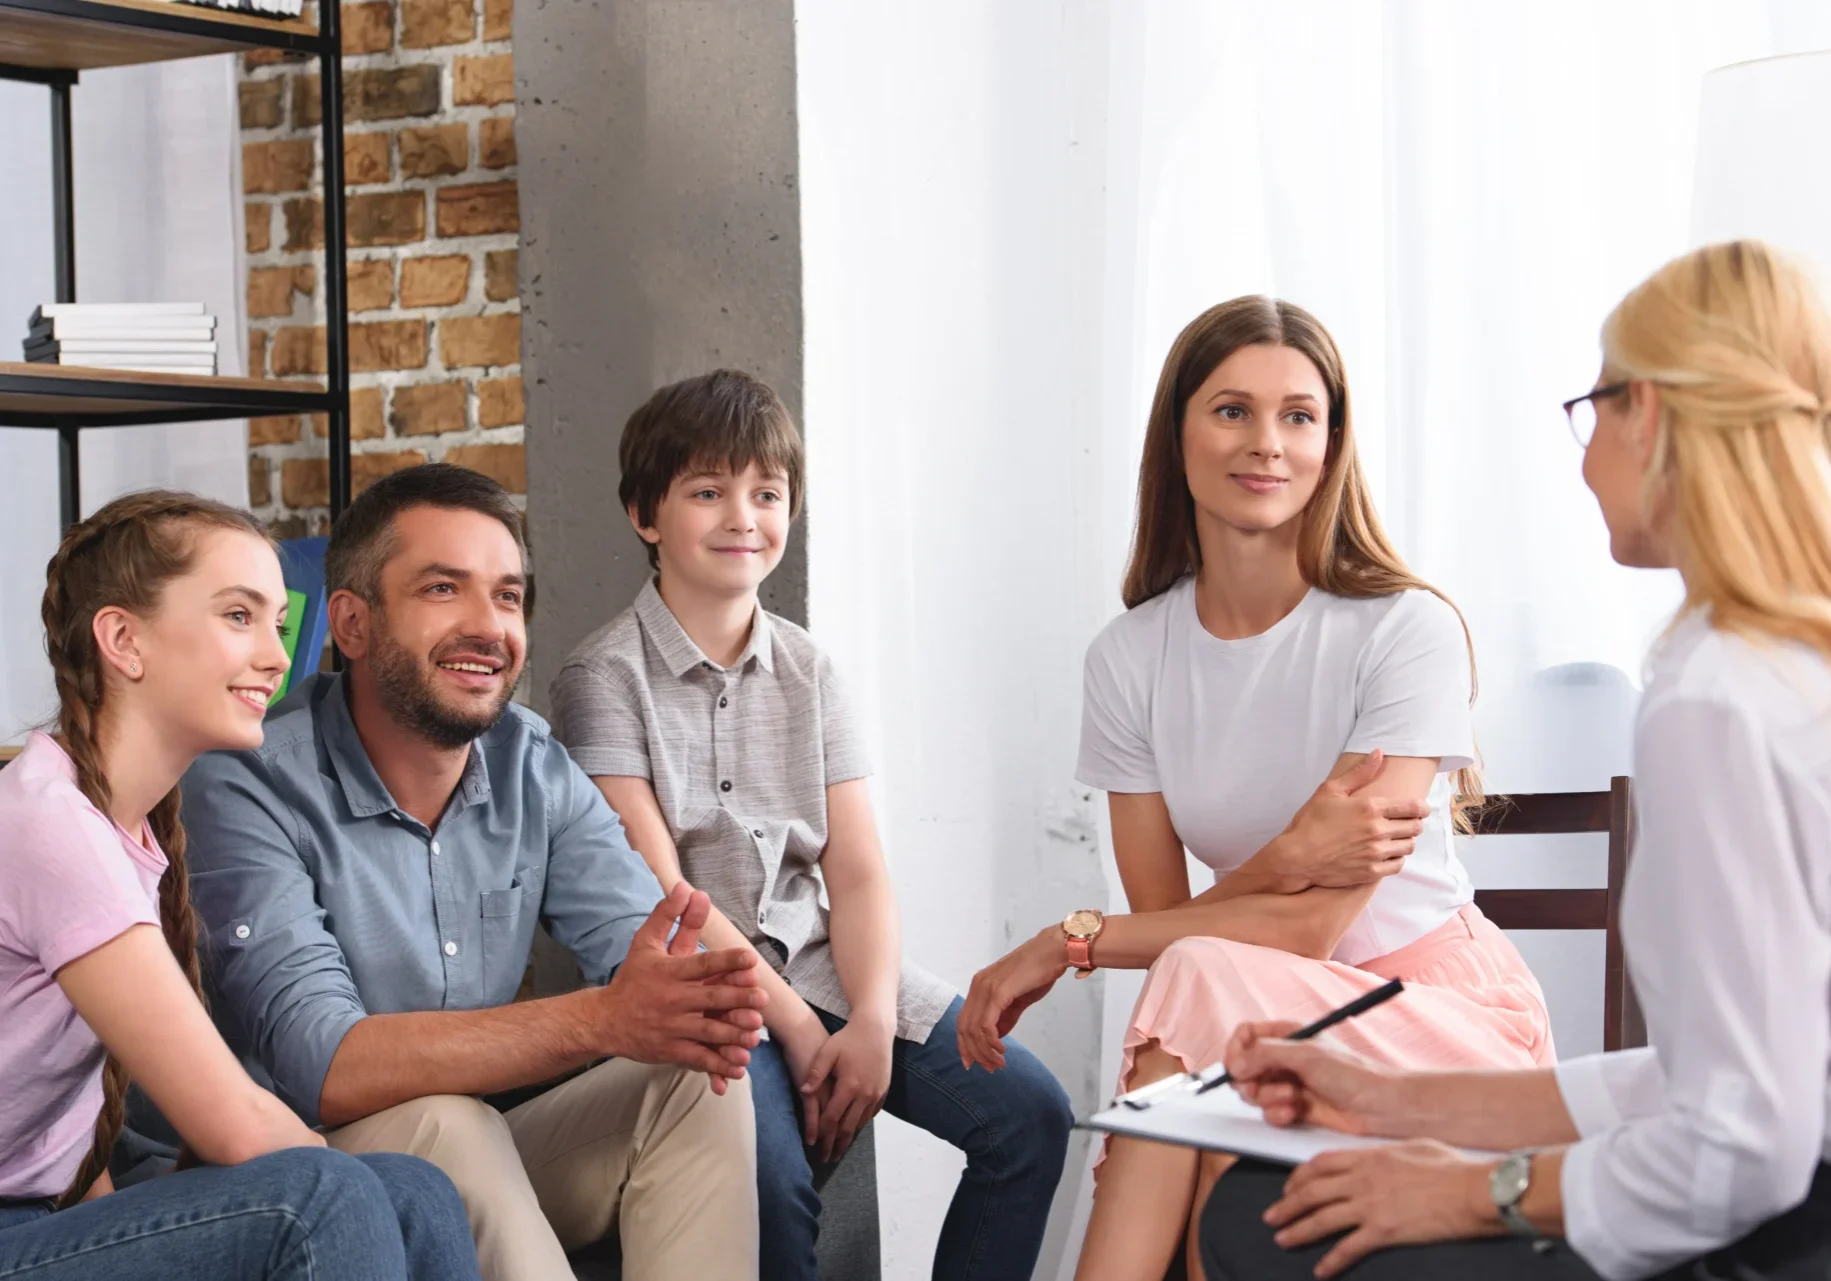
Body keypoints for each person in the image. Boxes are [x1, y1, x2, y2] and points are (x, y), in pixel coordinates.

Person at [1199, 240, 1831, 1281]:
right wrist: (1390, 1098)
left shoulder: (1717, 696)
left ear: (1655, 415)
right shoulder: (1781, 669)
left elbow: (1740, 1150)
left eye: (1593, 407)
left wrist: (1470, 1189)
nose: (1583, 458)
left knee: (1264, 1221)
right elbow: (1721, 1079)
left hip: (1782, 1243)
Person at [955, 296, 1555, 1280]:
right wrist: (1283, 860)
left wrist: (1068, 944)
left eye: (1298, 415)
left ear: (1332, 440)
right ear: (1178, 434)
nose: (1266, 443)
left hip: (1436, 1015)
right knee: (1205, 1000)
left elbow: (1301, 934)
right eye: (1232, 410)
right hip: (1255, 1010)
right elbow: (1175, 921)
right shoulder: (1128, 658)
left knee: (1200, 991)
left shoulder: (1404, 632)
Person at [548, 370, 1075, 1281]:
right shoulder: (599, 677)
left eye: (766, 492)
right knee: (772, 1188)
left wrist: (870, 1019)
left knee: (1029, 1113)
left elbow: (859, 870)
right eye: (707, 491)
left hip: (828, 964)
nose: (741, 516)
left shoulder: (811, 668)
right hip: (705, 987)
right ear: (644, 513)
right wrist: (794, 1027)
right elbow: (662, 890)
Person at [180, 463, 766, 1281]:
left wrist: (683, 999)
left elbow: (659, 968)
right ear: (350, 622)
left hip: (475, 1157)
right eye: (442, 589)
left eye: (507, 594)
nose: (488, 626)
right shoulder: (245, 782)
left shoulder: (530, 761)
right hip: (295, 1181)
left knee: (691, 1084)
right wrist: (602, 1018)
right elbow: (323, 1064)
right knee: (448, 1125)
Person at [0, 490, 477, 1281]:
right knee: (320, 1196)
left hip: (33, 1223)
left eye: (277, 622)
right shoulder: (51, 824)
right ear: (123, 638)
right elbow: (230, 1125)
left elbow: (65, 1154)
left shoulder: (121, 829)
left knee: (414, 1190)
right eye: (236, 616)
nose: (277, 656)